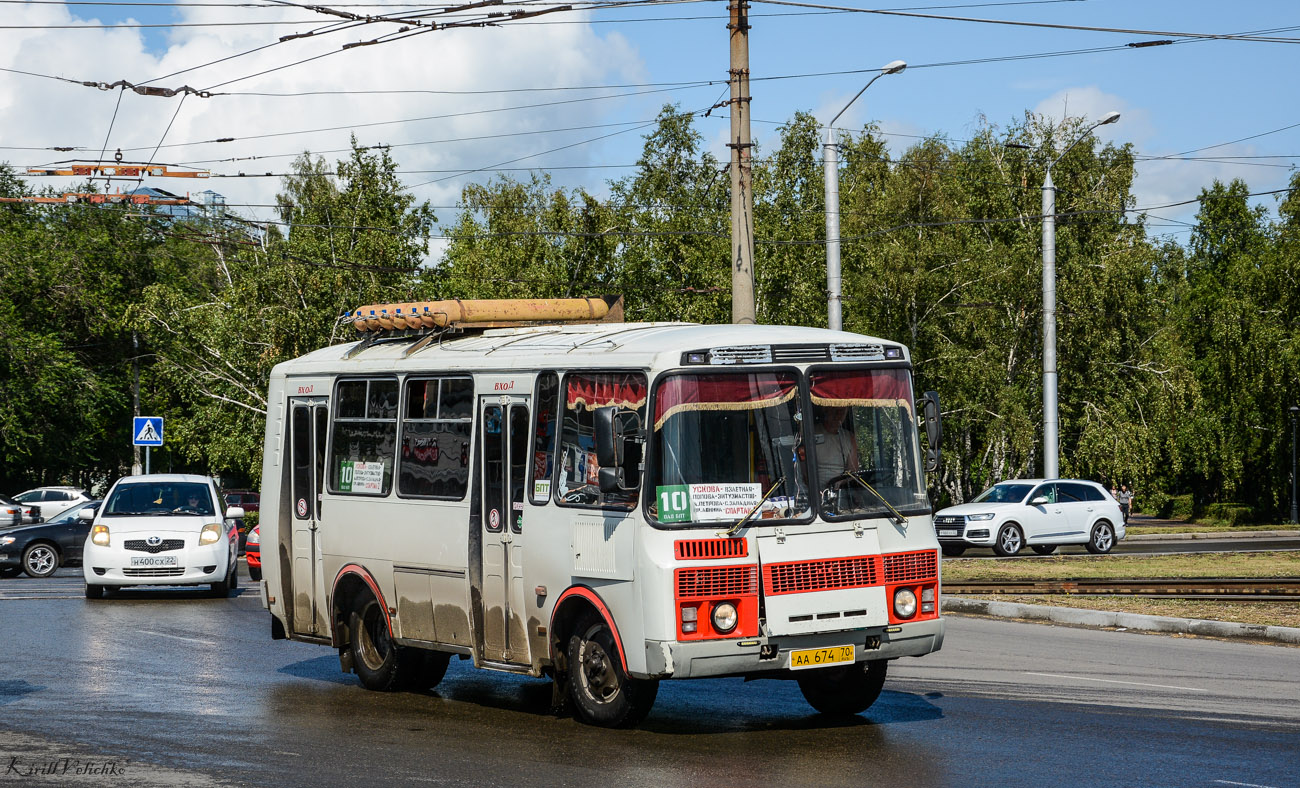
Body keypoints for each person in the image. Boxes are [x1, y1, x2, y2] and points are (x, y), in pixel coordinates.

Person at [814, 405, 859, 488]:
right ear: (826, 409)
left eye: (842, 412)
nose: (838, 415)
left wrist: (843, 482)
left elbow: (853, 472)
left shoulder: (849, 438)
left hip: (840, 493)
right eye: (835, 411)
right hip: (813, 494)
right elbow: (805, 473)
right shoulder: (810, 434)